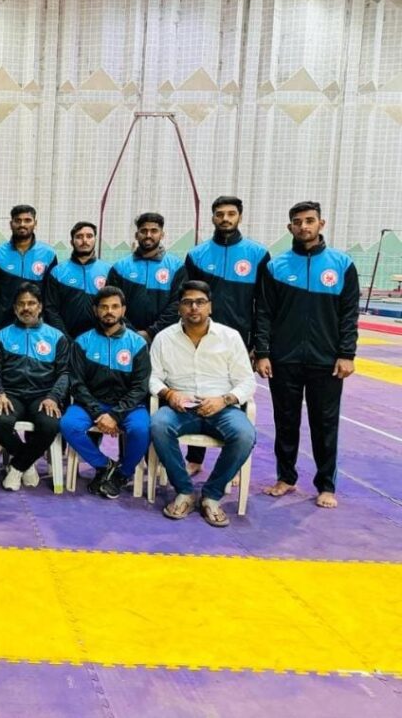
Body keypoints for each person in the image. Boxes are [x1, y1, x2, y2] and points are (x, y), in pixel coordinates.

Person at [255, 201, 359, 509]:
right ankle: (286, 477)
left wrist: (347, 353)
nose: (304, 226)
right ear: (290, 227)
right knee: (285, 421)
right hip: (284, 358)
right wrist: (263, 352)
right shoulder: (276, 266)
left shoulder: (342, 264)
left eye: (309, 220)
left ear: (321, 224)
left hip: (326, 361)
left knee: (325, 424)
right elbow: (264, 313)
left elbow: (349, 314)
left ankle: (326, 485)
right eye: (298, 222)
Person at [149, 281, 257, 526]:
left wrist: (224, 400)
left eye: (200, 302)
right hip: (180, 409)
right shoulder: (164, 338)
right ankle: (184, 491)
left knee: (244, 435)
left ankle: (212, 495)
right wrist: (169, 394)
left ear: (210, 306)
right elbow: (153, 378)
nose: (194, 307)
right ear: (179, 308)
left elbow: (246, 382)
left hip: (221, 408)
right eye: (187, 302)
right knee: (158, 425)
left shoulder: (230, 337)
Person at [182, 196, 270, 476]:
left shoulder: (257, 254)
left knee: (235, 398)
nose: (225, 219)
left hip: (239, 342)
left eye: (231, 214)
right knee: (196, 388)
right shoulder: (197, 255)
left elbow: (263, 304)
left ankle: (231, 461)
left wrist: (259, 346)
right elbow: (187, 300)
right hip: (199, 338)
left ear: (239, 217)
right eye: (220, 214)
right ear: (213, 218)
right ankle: (194, 459)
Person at [59, 286, 150, 500]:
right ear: (95, 310)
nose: (109, 311)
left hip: (128, 406)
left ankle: (122, 474)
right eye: (104, 307)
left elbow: (140, 386)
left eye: (115, 306)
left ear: (123, 310)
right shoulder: (82, 342)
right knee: (68, 424)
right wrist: (98, 412)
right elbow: (76, 383)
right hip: (92, 403)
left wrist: (115, 415)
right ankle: (104, 465)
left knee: (141, 429)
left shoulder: (137, 343)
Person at [0, 283, 68, 491]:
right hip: (10, 394)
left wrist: (53, 397)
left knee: (50, 424)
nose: (26, 308)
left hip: (43, 395)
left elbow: (65, 373)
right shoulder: (2, 336)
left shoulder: (56, 337)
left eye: (31, 303)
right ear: (15, 309)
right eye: (21, 304)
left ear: (40, 307)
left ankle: (16, 467)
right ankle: (26, 465)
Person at [106, 212, 186, 343]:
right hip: (125, 338)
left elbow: (177, 303)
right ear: (136, 235)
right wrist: (132, 333)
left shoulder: (176, 267)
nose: (148, 235)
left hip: (165, 338)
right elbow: (111, 303)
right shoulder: (120, 267)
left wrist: (152, 332)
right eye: (143, 231)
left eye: (154, 231)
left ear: (162, 235)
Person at [0, 205, 57, 329]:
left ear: (35, 223)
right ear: (11, 224)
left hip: (37, 325)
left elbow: (52, 297)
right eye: (18, 220)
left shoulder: (48, 254)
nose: (22, 224)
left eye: (27, 220)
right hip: (3, 325)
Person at [44, 221, 113, 338]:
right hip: (66, 338)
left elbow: (114, 307)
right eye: (79, 237)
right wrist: (64, 338)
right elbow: (51, 309)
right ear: (72, 242)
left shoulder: (108, 271)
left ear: (95, 240)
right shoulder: (57, 272)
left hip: (100, 338)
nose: (84, 240)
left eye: (89, 236)